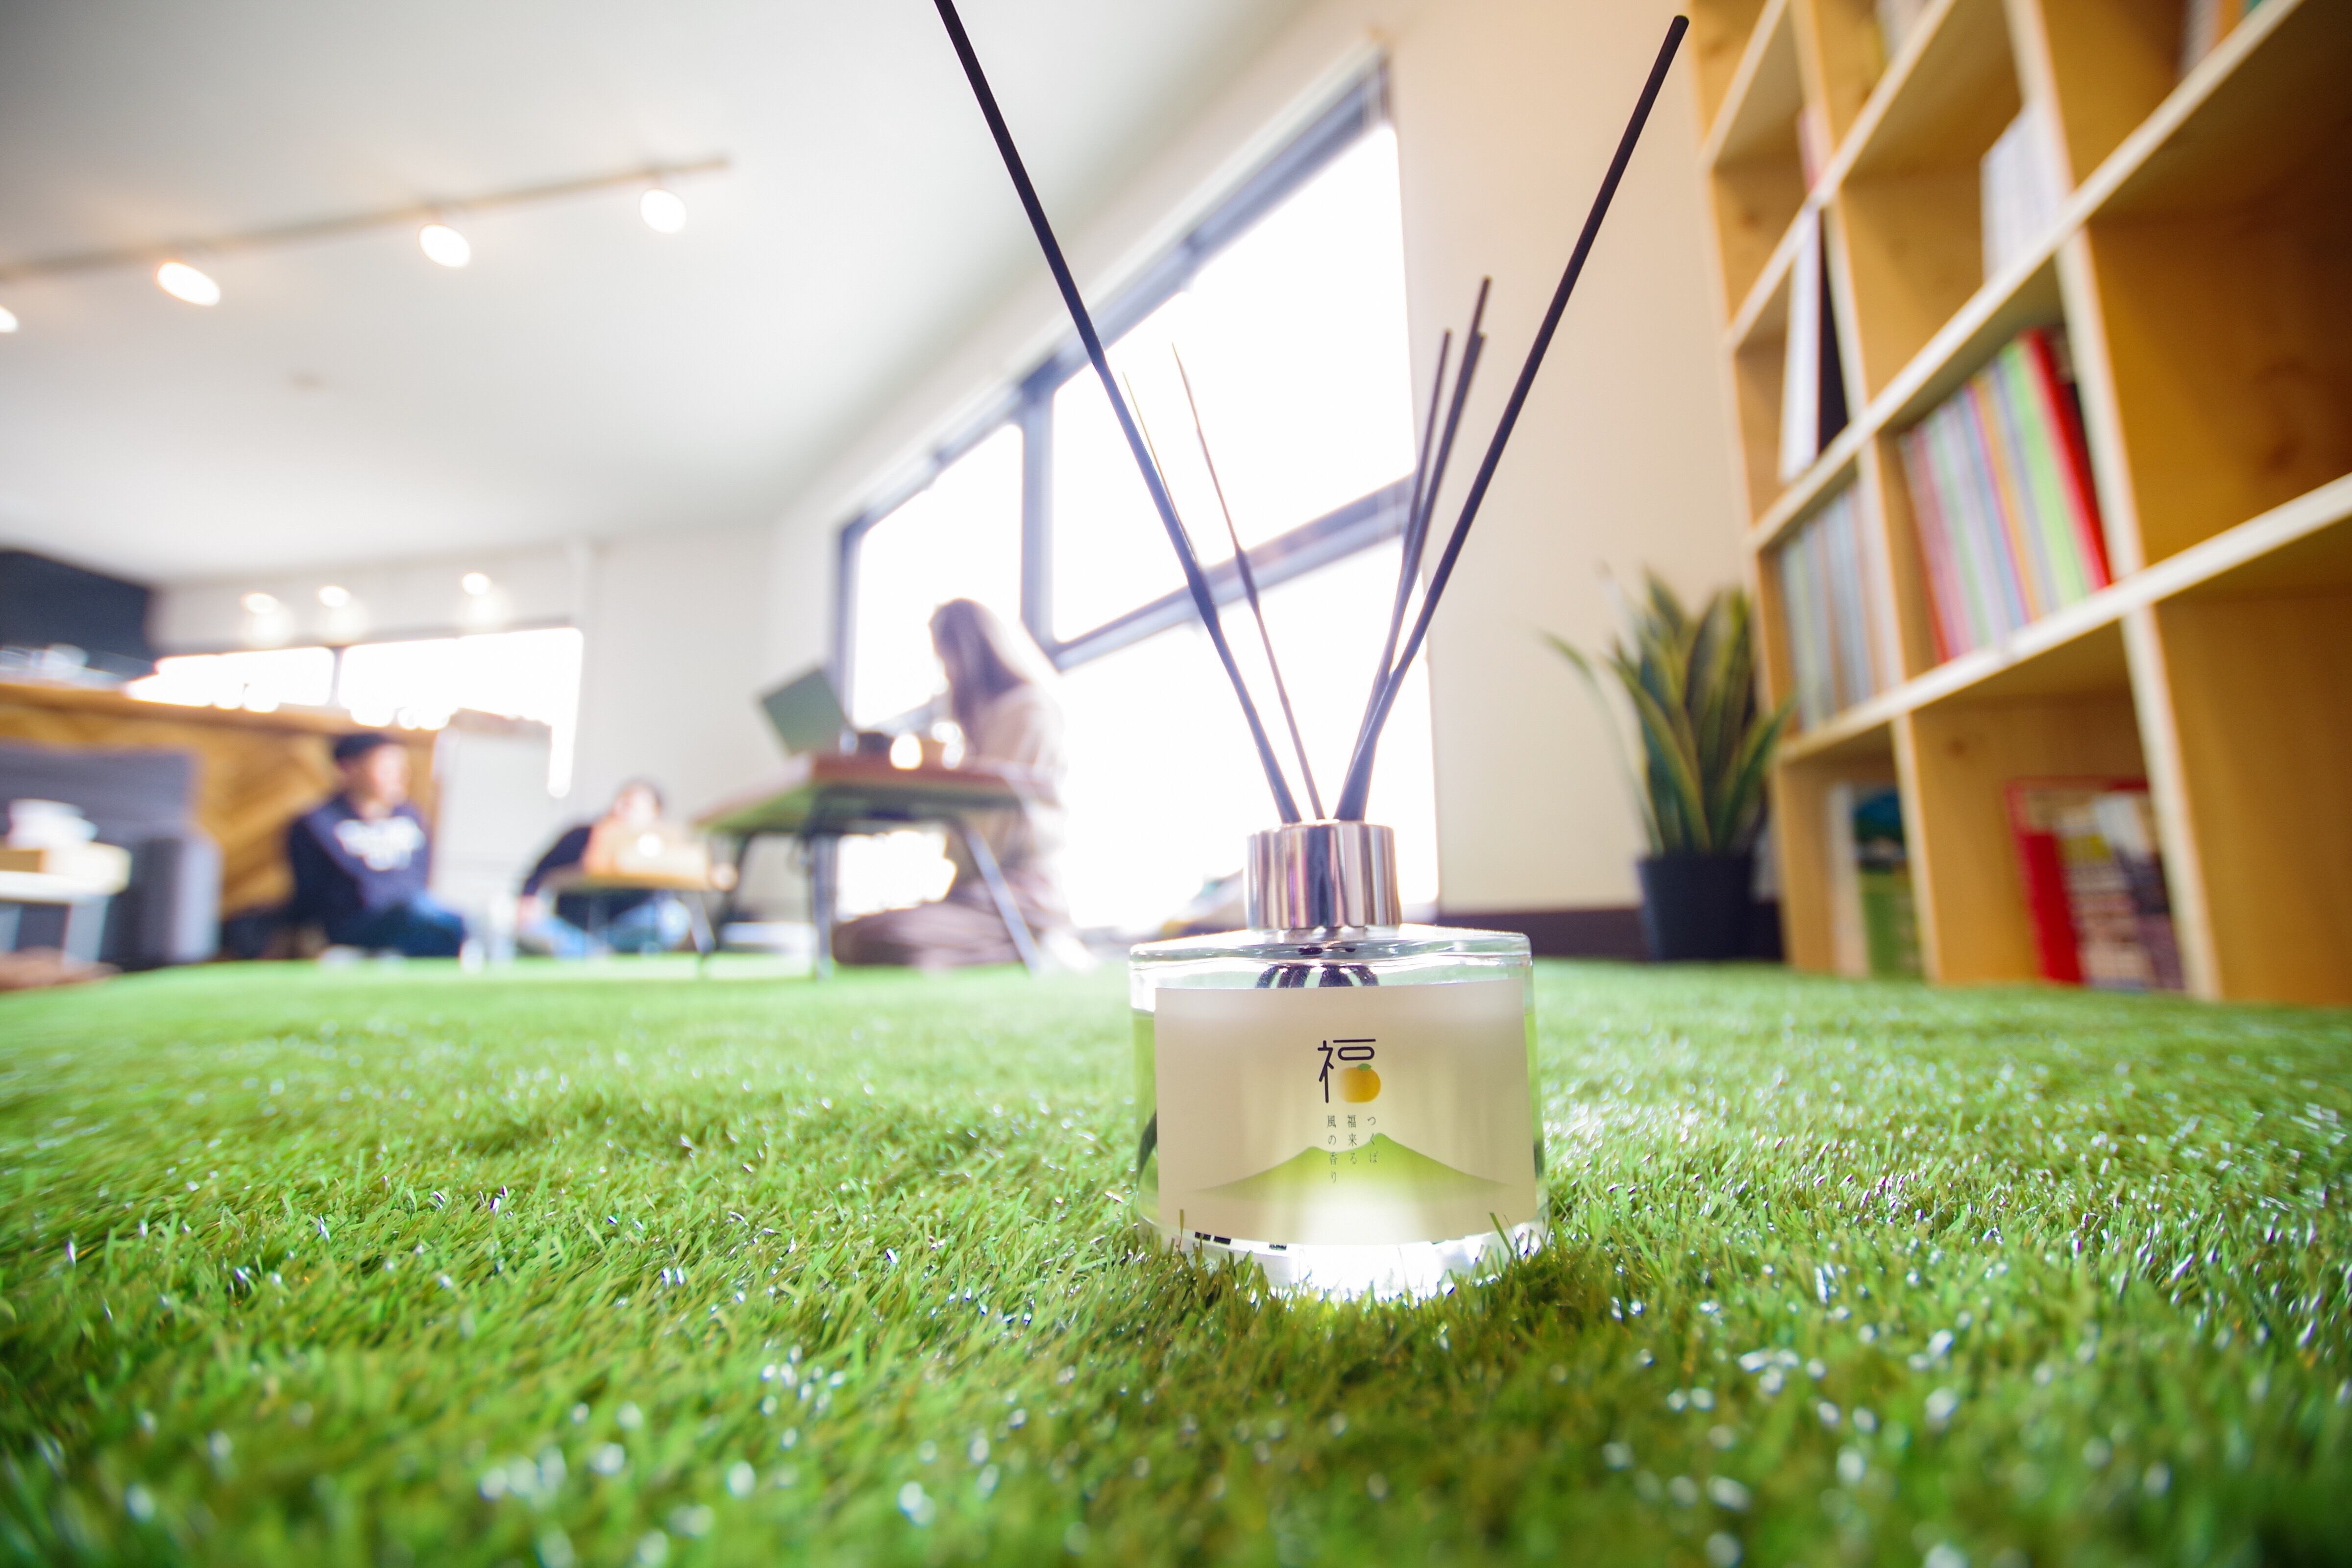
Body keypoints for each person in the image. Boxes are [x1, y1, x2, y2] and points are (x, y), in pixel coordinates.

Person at [833, 598, 1083, 971]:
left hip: (1021, 894)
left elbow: (993, 829)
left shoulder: (1026, 711)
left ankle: (1041, 942)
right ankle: (1008, 945)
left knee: (881, 939)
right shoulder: (985, 725)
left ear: (968, 652)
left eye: (946, 659)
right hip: (975, 895)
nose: (946, 675)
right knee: (845, 937)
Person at [286, 733, 468, 957]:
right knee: (423, 914)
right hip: (354, 924)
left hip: (418, 917)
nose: (399, 776)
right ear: (349, 769)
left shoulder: (411, 817)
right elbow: (311, 892)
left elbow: (422, 876)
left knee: (453, 921)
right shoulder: (319, 822)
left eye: (401, 767)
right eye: (387, 768)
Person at [515, 780, 694, 957]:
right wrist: (531, 899)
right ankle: (592, 950)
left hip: (626, 927)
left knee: (673, 920)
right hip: (577, 927)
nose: (619, 808)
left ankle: (598, 951)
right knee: (531, 927)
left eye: (630, 805)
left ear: (653, 814)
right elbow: (540, 873)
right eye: (620, 801)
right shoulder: (581, 836)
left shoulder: (658, 846)